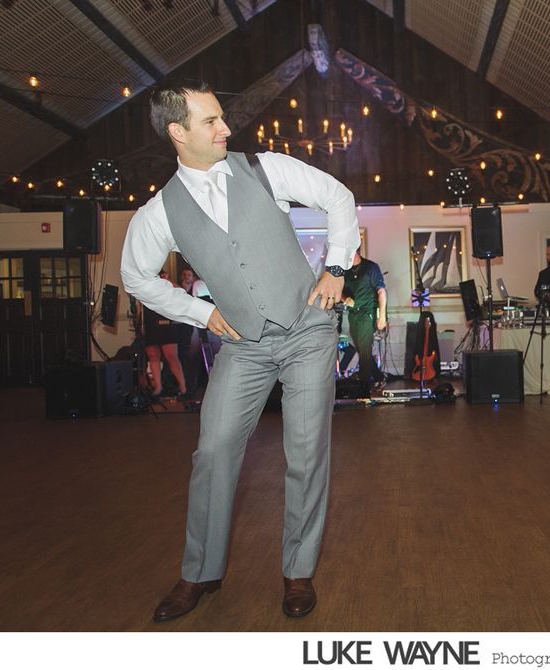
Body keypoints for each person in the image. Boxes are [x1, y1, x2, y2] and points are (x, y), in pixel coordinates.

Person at [120, 79, 359, 621]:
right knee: (214, 450)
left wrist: (337, 268)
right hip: (243, 346)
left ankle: (297, 574)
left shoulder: (265, 168)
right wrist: (201, 313)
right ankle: (198, 574)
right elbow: (136, 276)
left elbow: (339, 198)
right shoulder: (160, 212)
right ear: (178, 133)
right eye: (211, 121)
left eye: (222, 118)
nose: (225, 128)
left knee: (306, 452)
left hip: (306, 331)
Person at [340, 249, 387, 389]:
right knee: (362, 349)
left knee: (365, 349)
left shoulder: (371, 267)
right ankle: (379, 377)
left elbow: (381, 291)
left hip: (368, 313)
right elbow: (339, 291)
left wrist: (382, 317)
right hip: (353, 315)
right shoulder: (345, 270)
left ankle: (364, 385)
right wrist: (345, 298)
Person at [142, 270, 188, 397]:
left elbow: (180, 293)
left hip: (165, 321)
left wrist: (168, 281)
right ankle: (158, 387)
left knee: (171, 356)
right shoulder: (144, 281)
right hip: (150, 320)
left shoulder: (165, 281)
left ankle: (183, 387)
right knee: (153, 355)